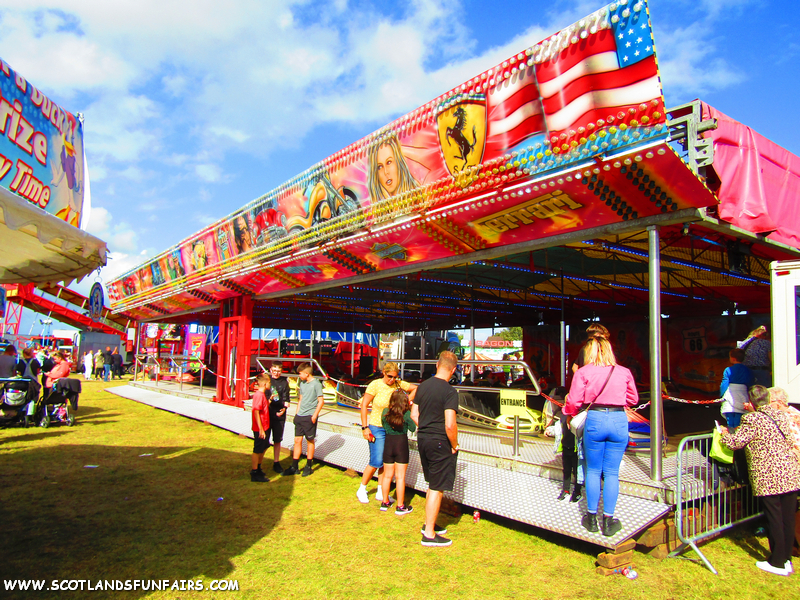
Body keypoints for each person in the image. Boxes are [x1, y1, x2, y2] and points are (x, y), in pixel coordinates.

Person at [720, 385, 800, 576]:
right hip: (790, 472)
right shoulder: (780, 415)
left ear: (753, 401)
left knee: (774, 519)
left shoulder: (751, 419)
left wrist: (724, 434)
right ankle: (786, 558)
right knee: (787, 518)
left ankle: (778, 562)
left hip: (770, 476)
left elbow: (735, 442)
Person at [564, 334, 638, 537]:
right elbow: (633, 398)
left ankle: (591, 518)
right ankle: (608, 520)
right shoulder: (624, 372)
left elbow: (574, 401)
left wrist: (568, 413)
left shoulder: (584, 372)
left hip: (595, 419)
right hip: (618, 420)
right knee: (612, 472)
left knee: (593, 470)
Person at [411, 350, 459, 547]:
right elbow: (450, 424)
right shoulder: (450, 392)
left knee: (432, 484)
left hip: (423, 438)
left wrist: (426, 427)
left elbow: (414, 413)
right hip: (440, 441)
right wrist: (454, 445)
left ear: (437, 365)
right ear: (454, 369)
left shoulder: (423, 386)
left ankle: (429, 524)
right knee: (437, 487)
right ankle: (429, 534)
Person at [356, 362, 417, 504]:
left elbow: (415, 388)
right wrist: (365, 427)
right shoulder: (375, 385)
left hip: (391, 428)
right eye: (389, 376)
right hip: (376, 426)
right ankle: (362, 488)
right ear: (384, 372)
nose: (392, 380)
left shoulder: (398, 384)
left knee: (386, 461)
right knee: (376, 460)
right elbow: (364, 405)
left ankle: (380, 490)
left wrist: (408, 400)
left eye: (395, 377)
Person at [283, 363, 324, 477]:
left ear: (307, 373)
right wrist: (296, 414)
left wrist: (314, 415)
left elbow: (321, 401)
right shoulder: (302, 383)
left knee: (310, 440)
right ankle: (294, 466)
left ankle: (308, 465)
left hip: (310, 416)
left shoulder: (316, 384)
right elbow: (300, 399)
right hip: (300, 416)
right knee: (297, 440)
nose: (299, 376)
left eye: (300, 374)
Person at [380, 389, 417, 515]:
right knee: (400, 477)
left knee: (387, 475)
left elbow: (384, 425)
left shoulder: (386, 412)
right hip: (401, 444)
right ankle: (400, 506)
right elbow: (413, 428)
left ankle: (385, 502)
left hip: (388, 443)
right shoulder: (406, 413)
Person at [366, 134, 419, 201]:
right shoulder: (379, 208)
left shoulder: (417, 197)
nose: (386, 172)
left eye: (389, 162)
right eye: (380, 167)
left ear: (399, 162)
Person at [719, 348, 754, 430]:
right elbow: (750, 382)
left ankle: (731, 433)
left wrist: (721, 394)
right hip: (743, 393)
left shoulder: (728, 370)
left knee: (730, 416)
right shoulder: (748, 370)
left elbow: (724, 383)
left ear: (733, 359)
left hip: (730, 393)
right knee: (740, 416)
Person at [268, 361, 291, 473]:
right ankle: (258, 463)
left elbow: (286, 398)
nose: (276, 373)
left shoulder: (284, 382)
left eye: (279, 371)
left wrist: (284, 409)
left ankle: (276, 462)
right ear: (271, 370)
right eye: (275, 371)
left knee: (277, 439)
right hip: (268, 412)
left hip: (280, 413)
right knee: (264, 439)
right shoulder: (267, 381)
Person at [249, 373, 271, 483]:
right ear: (265, 383)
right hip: (260, 428)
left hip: (265, 425)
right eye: (269, 383)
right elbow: (256, 411)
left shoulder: (263, 395)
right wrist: (261, 428)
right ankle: (254, 471)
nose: (270, 385)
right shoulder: (258, 395)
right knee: (257, 449)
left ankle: (258, 466)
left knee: (264, 446)